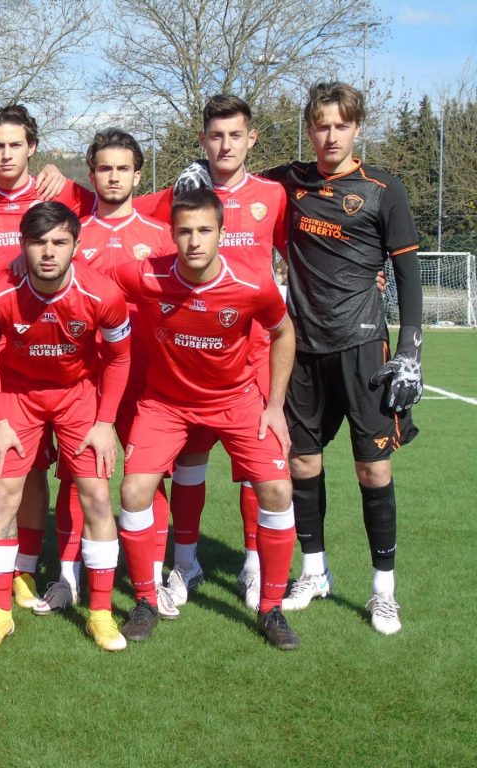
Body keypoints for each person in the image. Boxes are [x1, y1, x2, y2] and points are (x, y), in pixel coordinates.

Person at [261, 82, 422, 635]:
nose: (331, 135)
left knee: (373, 468)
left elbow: (406, 273)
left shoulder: (383, 189)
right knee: (303, 463)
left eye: (341, 125)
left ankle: (383, 591)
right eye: (321, 125)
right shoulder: (288, 182)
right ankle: (314, 572)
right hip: (302, 348)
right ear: (309, 129)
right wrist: (196, 172)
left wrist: (410, 351)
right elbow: (233, 184)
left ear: (357, 128)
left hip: (363, 347)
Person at [112, 187, 300, 649]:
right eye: (184, 231)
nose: (194, 241)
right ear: (171, 234)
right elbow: (91, 282)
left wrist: (275, 405)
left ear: (220, 233)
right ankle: (146, 601)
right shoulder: (146, 273)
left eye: (204, 231)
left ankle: (271, 608)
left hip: (235, 400)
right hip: (165, 404)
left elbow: (283, 333)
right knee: (133, 491)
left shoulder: (252, 284)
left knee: (278, 490)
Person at [133, 95, 288, 611]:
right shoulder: (178, 195)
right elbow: (114, 208)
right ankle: (186, 563)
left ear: (251, 139)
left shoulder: (273, 195)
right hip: (189, 355)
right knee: (190, 462)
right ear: (202, 139)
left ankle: (254, 566)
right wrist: (57, 181)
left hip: (254, 353)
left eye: (235, 135)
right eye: (215, 136)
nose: (225, 145)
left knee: (257, 467)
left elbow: (299, 252)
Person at [0, 201, 131, 651]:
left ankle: (100, 614)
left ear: (76, 246)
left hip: (78, 395)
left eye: (60, 242)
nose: (48, 252)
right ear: (22, 245)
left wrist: (105, 422)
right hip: (17, 395)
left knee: (97, 496)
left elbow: (119, 359)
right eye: (38, 242)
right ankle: (0, 612)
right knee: (3, 495)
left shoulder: (103, 294)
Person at [0, 104, 95, 610]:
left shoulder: (61, 193)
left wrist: (61, 174)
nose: (7, 154)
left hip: (47, 352)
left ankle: (25, 570)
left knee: (34, 467)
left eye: (16, 144)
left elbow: (115, 203)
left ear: (32, 147)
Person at [35, 128, 176, 617]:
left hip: (147, 378)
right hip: (86, 379)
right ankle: (67, 578)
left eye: (122, 168)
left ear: (137, 175)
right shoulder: (74, 234)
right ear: (91, 174)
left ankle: (150, 583)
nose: (113, 177)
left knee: (148, 479)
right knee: (78, 478)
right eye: (104, 168)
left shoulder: (160, 237)